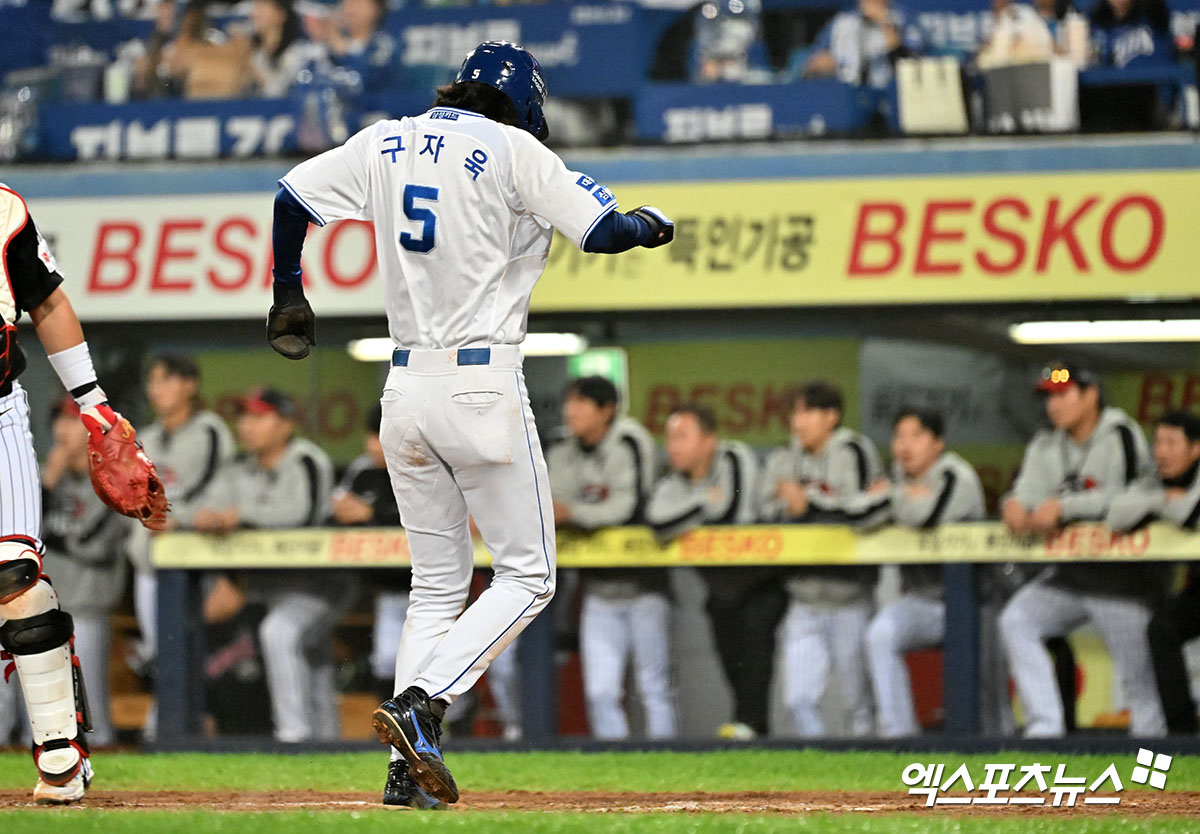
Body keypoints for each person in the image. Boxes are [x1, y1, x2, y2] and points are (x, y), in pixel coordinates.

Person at [265, 40, 674, 806]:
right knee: (530, 574)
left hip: (403, 387)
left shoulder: (387, 137)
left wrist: (289, 292)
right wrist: (653, 223)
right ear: (522, 101)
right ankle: (423, 704)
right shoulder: (515, 147)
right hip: (481, 384)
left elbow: (292, 196)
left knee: (436, 586)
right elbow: (604, 232)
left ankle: (403, 772)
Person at [0, 183, 164, 803]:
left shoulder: (4, 209)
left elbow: (47, 303)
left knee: (14, 574)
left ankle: (60, 753)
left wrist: (93, 406)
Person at [999, 363, 1166, 737]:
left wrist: (1063, 507)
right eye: (1048, 396)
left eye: (1062, 394)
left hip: (1121, 582)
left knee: (1140, 686)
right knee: (1017, 620)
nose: (1053, 405)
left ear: (1091, 395)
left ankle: (1155, 773)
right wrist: (1013, 505)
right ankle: (1045, 729)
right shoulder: (1045, 443)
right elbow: (1027, 492)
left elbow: (1124, 498)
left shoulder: (1120, 433)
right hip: (1070, 578)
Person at [192, 386, 347, 744]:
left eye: (259, 417)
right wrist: (205, 518)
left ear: (285, 424)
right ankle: (329, 744)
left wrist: (242, 516)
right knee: (313, 659)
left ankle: (293, 737)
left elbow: (303, 515)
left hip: (320, 584)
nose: (247, 425)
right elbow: (205, 511)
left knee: (280, 634)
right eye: (244, 416)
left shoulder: (307, 459)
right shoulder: (236, 468)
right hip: (268, 586)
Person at [546, 376, 675, 740]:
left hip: (645, 585)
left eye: (581, 403)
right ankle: (617, 774)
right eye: (569, 402)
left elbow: (627, 506)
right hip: (599, 589)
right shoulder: (563, 446)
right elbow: (552, 500)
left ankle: (671, 768)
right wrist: (577, 510)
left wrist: (574, 512)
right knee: (601, 691)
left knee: (654, 687)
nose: (571, 411)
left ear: (608, 410)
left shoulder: (630, 441)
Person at [858, 407, 992, 738]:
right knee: (880, 635)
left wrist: (889, 500)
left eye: (916, 436)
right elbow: (860, 516)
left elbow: (927, 515)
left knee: (991, 698)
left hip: (978, 601)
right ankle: (899, 736)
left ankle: (1000, 754)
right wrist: (900, 496)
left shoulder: (955, 475)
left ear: (937, 443)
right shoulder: (897, 481)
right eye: (899, 436)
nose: (906, 445)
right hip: (923, 600)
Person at [759, 381, 882, 738]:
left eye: (808, 412)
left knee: (858, 703)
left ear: (832, 417)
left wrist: (807, 501)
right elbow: (761, 509)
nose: (798, 421)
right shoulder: (785, 455)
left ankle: (867, 783)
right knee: (797, 699)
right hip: (804, 597)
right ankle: (823, 775)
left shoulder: (852, 450)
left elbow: (858, 511)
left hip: (850, 596)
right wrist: (791, 507)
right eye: (795, 412)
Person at [645, 403, 769, 739]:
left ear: (709, 440)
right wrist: (701, 502)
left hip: (763, 582)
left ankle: (754, 730)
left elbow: (732, 514)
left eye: (683, 437)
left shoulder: (735, 458)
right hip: (721, 591)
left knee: (758, 666)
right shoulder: (672, 480)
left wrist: (688, 515)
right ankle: (751, 735)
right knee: (734, 666)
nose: (673, 446)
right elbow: (657, 523)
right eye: (670, 438)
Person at [128, 354, 234, 693]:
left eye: (166, 379)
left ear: (190, 384)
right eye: (153, 381)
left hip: (196, 561)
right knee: (162, 653)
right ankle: (164, 725)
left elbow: (218, 487)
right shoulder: (145, 436)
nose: (156, 389)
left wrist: (177, 517)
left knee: (193, 651)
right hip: (149, 562)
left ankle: (184, 728)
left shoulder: (210, 431)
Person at [39, 397, 131, 748]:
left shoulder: (111, 479)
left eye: (70, 421)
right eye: (58, 420)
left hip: (89, 606)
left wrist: (54, 536)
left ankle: (106, 773)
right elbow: (21, 536)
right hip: (46, 604)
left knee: (90, 707)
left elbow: (93, 546)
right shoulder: (47, 481)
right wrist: (46, 486)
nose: (61, 429)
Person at [1108, 410, 1200, 734]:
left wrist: (1160, 505)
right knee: (1162, 629)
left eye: (1172, 442)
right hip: (1198, 589)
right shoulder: (1154, 481)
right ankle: (1182, 734)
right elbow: (1116, 516)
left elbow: (1190, 513)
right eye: (1158, 441)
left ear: (1196, 448)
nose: (1162, 451)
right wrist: (1161, 500)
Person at [803, 0, 925, 88]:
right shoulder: (840, 23)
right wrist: (824, 63)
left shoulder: (904, 20)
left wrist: (884, 22)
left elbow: (914, 65)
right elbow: (810, 65)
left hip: (889, 97)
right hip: (848, 98)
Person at [306, 0, 397, 93]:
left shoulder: (384, 46)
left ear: (376, 9)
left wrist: (342, 53)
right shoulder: (322, 48)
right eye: (347, 2)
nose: (352, 7)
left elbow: (367, 82)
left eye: (359, 3)